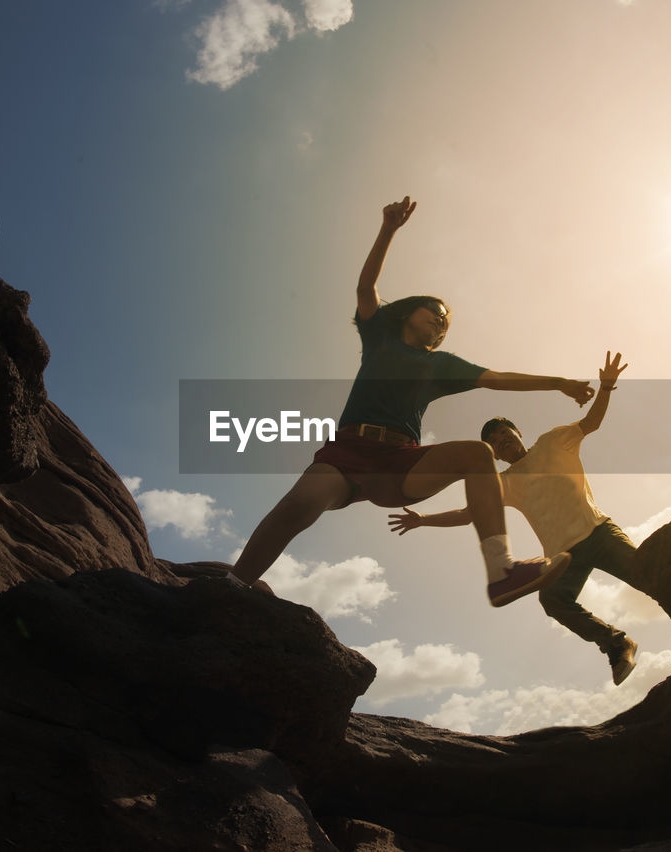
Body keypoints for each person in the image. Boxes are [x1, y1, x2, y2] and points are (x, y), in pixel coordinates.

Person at [230, 196, 597, 607]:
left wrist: (559, 382)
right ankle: (231, 585)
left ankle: (501, 572)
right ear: (408, 313)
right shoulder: (380, 340)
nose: (441, 321)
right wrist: (388, 229)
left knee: (478, 454)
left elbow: (499, 379)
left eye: (446, 322)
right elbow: (366, 288)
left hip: (400, 462)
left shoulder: (441, 365)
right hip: (348, 454)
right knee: (298, 507)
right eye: (435, 312)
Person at [388, 352, 641, 685]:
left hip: (599, 532)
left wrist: (606, 387)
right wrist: (423, 519)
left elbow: (591, 423)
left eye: (505, 434)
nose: (502, 442)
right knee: (552, 600)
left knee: (647, 573)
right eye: (494, 443)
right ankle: (617, 643)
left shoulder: (553, 442)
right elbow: (469, 515)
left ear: (518, 432)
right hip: (565, 556)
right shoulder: (503, 482)